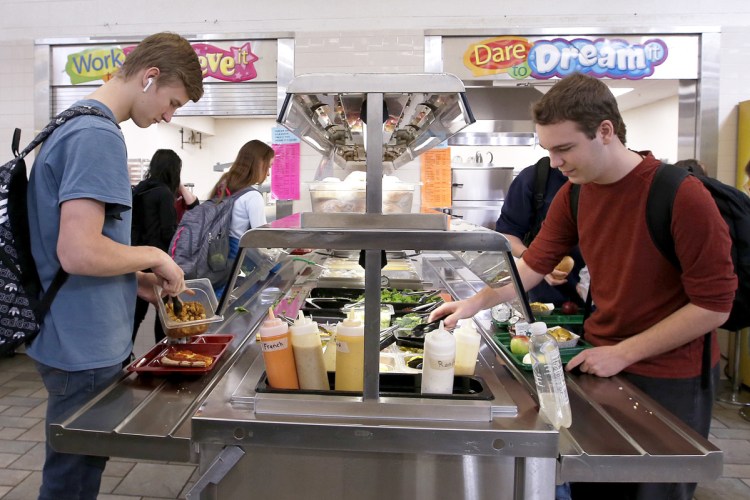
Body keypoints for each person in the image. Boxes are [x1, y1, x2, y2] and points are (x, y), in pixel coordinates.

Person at [430, 72, 736, 500]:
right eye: (549, 150)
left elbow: (714, 306)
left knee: (650, 491)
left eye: (565, 148)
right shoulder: (576, 194)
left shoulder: (681, 196)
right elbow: (533, 266)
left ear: (605, 131)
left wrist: (623, 352)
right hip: (599, 362)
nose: (555, 162)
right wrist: (474, 302)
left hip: (669, 378)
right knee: (594, 484)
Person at [26, 32, 204, 500]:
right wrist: (154, 255)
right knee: (72, 479)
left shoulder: (73, 124)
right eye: (172, 102)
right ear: (149, 78)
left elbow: (85, 246)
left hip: (73, 332)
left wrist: (134, 279)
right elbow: (78, 252)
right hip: (82, 342)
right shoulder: (97, 134)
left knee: (77, 469)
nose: (169, 115)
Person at [495, 157, 585, 307]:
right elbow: (507, 232)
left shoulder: (615, 185)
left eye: (564, 147)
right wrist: (537, 263)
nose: (555, 161)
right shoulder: (534, 178)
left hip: (603, 300)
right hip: (546, 302)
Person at [131, 149, 199, 344]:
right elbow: (169, 231)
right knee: (166, 310)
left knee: (135, 314)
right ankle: (163, 352)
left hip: (135, 257)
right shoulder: (163, 193)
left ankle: (124, 358)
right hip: (156, 260)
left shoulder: (142, 188)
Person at [208, 139, 274, 297]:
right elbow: (262, 237)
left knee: (220, 298)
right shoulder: (252, 196)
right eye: (268, 167)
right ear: (259, 164)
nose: (269, 173)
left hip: (218, 256)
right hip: (238, 258)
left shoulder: (224, 184)